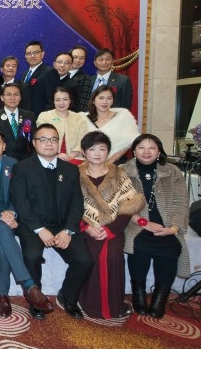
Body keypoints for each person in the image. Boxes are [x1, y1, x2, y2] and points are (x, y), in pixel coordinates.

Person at [9, 123, 94, 320]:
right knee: (31, 255)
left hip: (63, 226)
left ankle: (68, 297)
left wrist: (68, 230)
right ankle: (36, 299)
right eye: (43, 139)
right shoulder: (22, 168)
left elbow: (77, 204)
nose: (49, 143)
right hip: (33, 225)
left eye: (54, 140)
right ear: (34, 143)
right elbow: (21, 204)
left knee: (85, 260)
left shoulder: (70, 170)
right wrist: (39, 229)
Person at [0, 129, 54, 317]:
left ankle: (3, 295)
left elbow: (20, 194)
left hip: (9, 216)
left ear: (4, 146)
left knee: (2, 245)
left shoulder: (13, 164)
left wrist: (11, 212)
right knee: (3, 229)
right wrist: (0, 215)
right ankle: (29, 284)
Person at [121, 133, 191, 319]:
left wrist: (173, 228)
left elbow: (181, 203)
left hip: (166, 225)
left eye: (152, 148)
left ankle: (160, 299)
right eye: (141, 147)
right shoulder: (122, 171)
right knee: (138, 247)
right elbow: (119, 204)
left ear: (159, 151)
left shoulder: (172, 171)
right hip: (136, 224)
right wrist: (144, 222)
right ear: (134, 151)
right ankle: (139, 295)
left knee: (171, 248)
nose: (147, 152)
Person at [77, 131, 144, 319]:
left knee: (114, 255)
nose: (97, 153)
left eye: (102, 148)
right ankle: (89, 303)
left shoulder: (119, 174)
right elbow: (69, 206)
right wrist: (86, 227)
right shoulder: (75, 175)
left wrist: (109, 230)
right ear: (84, 152)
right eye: (92, 149)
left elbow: (128, 205)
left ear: (108, 151)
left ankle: (114, 304)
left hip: (114, 229)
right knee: (89, 256)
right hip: (84, 229)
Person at [83, 85, 139, 164]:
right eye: (101, 98)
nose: (105, 102)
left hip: (116, 162)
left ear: (112, 101)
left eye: (109, 98)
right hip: (88, 163)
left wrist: (110, 161)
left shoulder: (123, 117)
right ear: (93, 100)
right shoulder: (82, 119)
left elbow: (127, 142)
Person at [36, 86, 89, 165]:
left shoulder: (79, 118)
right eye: (57, 100)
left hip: (75, 157)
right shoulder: (44, 117)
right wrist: (56, 155)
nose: (61, 103)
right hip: (49, 156)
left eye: (65, 99)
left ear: (70, 101)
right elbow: (42, 139)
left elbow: (82, 140)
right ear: (53, 101)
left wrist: (72, 155)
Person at [0, 82, 36, 161]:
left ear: (20, 97)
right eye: (9, 94)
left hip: (26, 160)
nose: (12, 98)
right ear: (2, 97)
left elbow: (34, 139)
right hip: (3, 160)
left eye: (16, 94)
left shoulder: (29, 115)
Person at [19, 40, 58, 118]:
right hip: (25, 117)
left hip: (40, 119)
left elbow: (52, 101)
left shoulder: (49, 72)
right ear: (25, 56)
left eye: (36, 52)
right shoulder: (25, 74)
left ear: (42, 54)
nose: (32, 56)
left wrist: (44, 119)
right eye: (29, 53)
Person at [68, 45, 93, 112]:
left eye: (82, 58)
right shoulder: (57, 74)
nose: (78, 60)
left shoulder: (85, 78)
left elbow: (83, 105)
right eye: (75, 57)